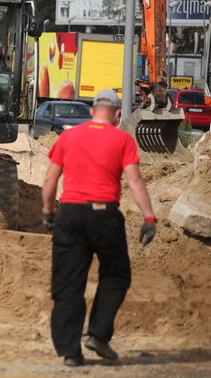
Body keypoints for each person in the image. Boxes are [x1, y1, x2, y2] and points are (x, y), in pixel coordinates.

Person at [41, 88, 157, 367]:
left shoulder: (68, 136)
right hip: (104, 215)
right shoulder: (122, 139)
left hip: (69, 215)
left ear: (92, 112)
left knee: (69, 283)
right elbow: (135, 181)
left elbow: (50, 180)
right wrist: (149, 217)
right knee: (116, 275)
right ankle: (98, 335)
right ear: (117, 115)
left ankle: (70, 352)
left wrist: (48, 212)